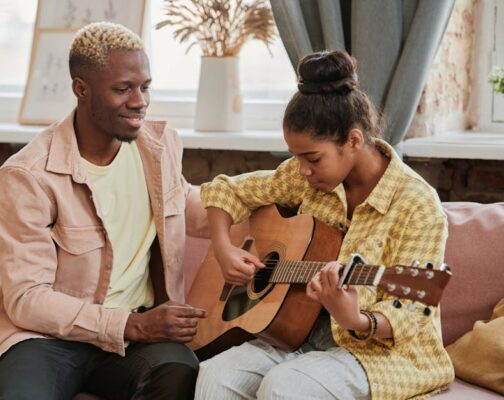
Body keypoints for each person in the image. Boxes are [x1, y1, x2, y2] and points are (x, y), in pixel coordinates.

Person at [0, 22, 208, 400]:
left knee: (180, 372)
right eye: (122, 89)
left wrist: (276, 190)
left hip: (134, 342)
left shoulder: (159, 148)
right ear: (81, 88)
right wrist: (133, 325)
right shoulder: (28, 174)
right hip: (44, 339)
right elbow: (27, 298)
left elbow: (190, 204)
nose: (139, 101)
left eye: (145, 87)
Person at [194, 50, 455, 400]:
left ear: (353, 141)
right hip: (296, 335)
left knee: (284, 386)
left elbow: (410, 313)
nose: (301, 169)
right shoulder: (306, 179)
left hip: (379, 353)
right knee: (213, 377)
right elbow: (224, 190)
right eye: (295, 156)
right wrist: (225, 250)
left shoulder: (418, 206)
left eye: (312, 158)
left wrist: (356, 319)